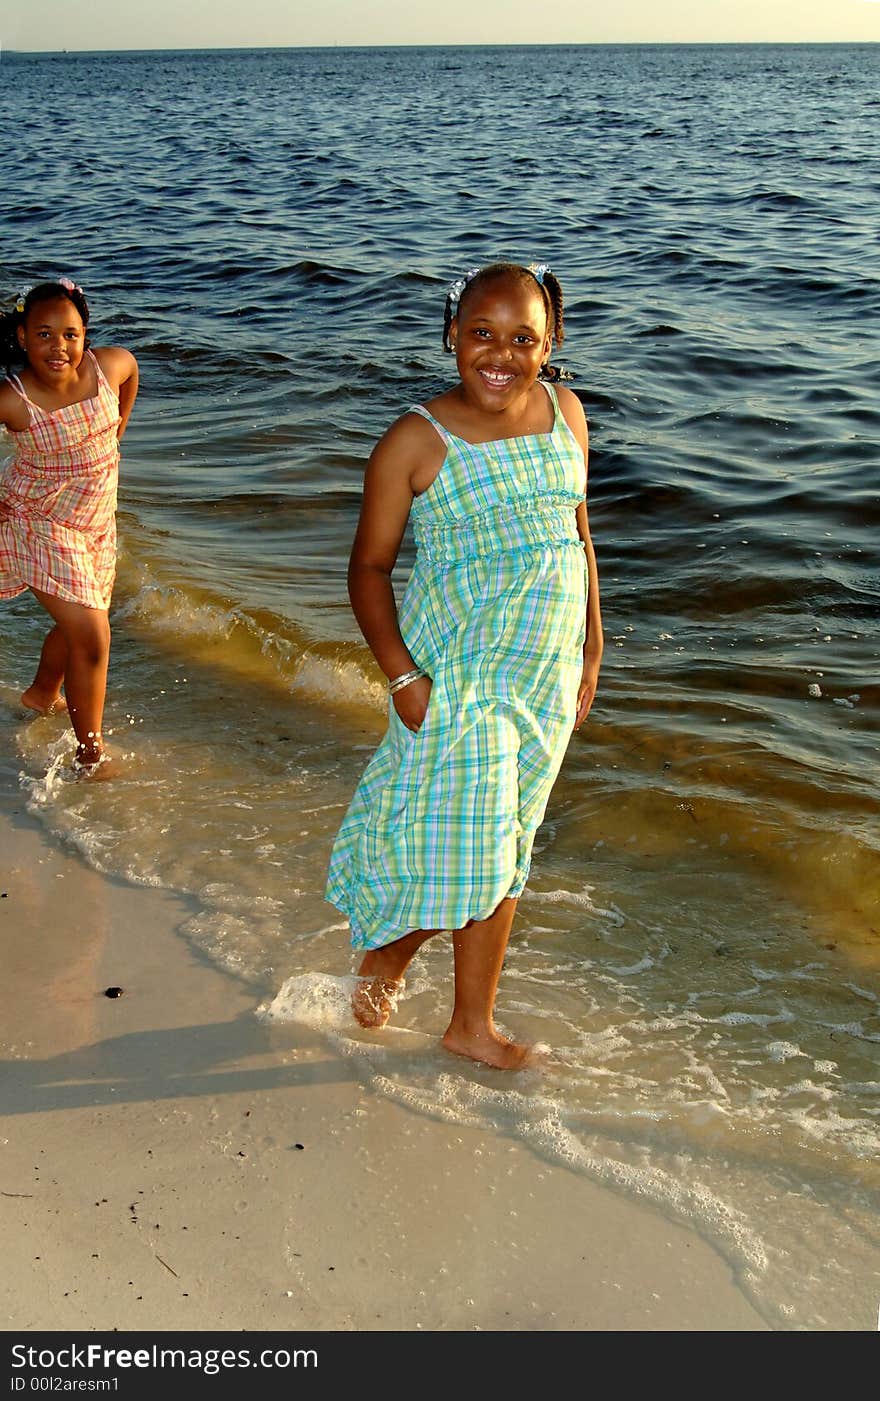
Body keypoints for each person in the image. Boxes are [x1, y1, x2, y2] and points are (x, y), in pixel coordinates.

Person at [326, 261, 603, 1069]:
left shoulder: (567, 413)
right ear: (452, 333)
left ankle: (468, 1022)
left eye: (524, 338)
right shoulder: (416, 440)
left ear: (549, 345)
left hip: (545, 671)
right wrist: (403, 676)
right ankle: (389, 963)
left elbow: (579, 536)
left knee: (508, 842)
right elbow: (367, 569)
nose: (501, 354)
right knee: (469, 843)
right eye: (482, 332)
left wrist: (593, 642)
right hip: (459, 676)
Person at [0, 278, 139, 775]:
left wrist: (120, 423)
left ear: (84, 335)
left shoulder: (108, 366)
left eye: (70, 334)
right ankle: (91, 754)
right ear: (21, 337)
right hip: (38, 520)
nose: (59, 347)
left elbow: (132, 374)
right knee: (92, 634)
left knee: (84, 617)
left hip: (96, 517)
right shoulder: (15, 399)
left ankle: (42, 694)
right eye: (43, 334)